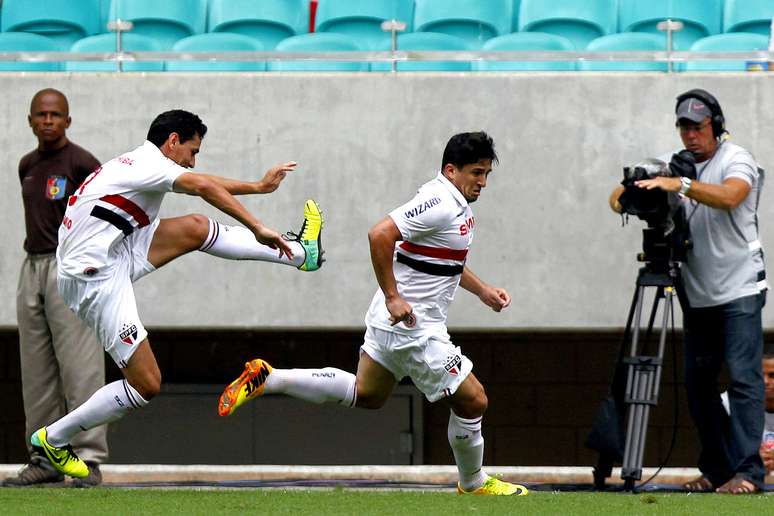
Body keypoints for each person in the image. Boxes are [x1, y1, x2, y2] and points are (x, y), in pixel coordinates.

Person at [218, 132, 528, 497]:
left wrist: (484, 292)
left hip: (390, 321)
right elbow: (379, 233)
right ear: (451, 169)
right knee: (474, 400)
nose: (483, 182)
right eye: (476, 172)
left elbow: (444, 262)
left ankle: (270, 378)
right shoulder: (440, 201)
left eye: (487, 173)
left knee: (367, 393)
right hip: (413, 327)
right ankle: (474, 483)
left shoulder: (456, 205)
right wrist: (394, 296)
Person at [29, 109, 324, 480]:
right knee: (146, 384)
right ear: (172, 141)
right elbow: (202, 186)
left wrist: (257, 187)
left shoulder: (145, 160)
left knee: (195, 228)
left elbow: (201, 182)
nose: (193, 159)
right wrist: (258, 226)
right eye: (192, 151)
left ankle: (301, 254)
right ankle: (54, 439)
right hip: (94, 276)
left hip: (114, 248)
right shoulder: (149, 165)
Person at [610, 89, 767, 494]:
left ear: (715, 125)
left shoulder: (736, 159)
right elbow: (616, 200)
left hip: (739, 287)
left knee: (744, 379)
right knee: (698, 385)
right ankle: (717, 468)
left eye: (698, 127)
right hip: (695, 291)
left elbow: (732, 196)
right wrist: (637, 186)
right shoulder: (672, 163)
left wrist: (679, 183)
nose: (690, 135)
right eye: (684, 127)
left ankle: (748, 472)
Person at [2, 89, 107, 488]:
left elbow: (107, 212)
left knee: (80, 368)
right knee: (37, 372)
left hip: (72, 268)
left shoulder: (82, 163)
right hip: (32, 267)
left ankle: (88, 458)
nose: (48, 121)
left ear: (68, 120)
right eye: (41, 115)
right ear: (30, 121)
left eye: (55, 114)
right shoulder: (26, 164)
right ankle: (45, 459)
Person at [720, 353, 774, 475]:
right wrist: (748, 457)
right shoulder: (729, 403)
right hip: (741, 481)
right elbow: (716, 452)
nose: (765, 381)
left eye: (772, 375)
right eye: (759, 375)